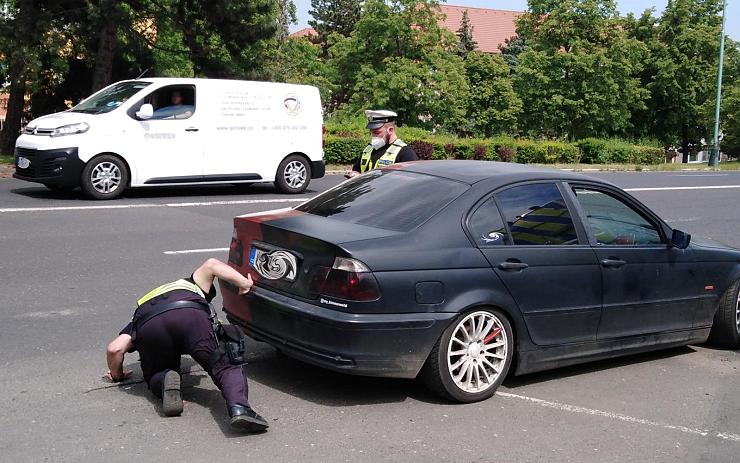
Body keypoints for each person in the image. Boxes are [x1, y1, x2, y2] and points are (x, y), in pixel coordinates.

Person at [104, 258, 268, 433]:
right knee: (223, 365)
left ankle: (165, 378)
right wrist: (244, 284)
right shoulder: (190, 284)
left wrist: (117, 375)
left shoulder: (140, 311)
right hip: (189, 315)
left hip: (149, 325)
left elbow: (114, 349)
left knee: (157, 373)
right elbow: (212, 264)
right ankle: (240, 408)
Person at [347, 109, 418, 178]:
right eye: (371, 132)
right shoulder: (368, 149)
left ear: (390, 130)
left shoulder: (405, 153)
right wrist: (355, 174)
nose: (373, 136)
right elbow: (357, 169)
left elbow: (412, 181)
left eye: (376, 132)